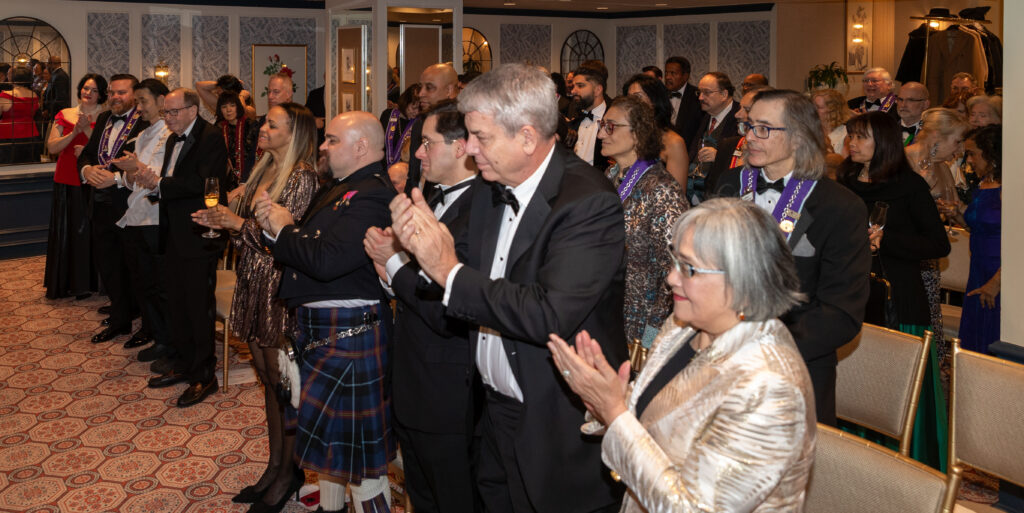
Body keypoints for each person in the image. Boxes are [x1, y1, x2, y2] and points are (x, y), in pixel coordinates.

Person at [389, 63, 627, 513]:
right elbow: (470, 283)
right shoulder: (490, 186)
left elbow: (546, 313)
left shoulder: (588, 201)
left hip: (553, 420)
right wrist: (417, 251)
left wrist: (446, 270)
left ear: (527, 137)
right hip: (491, 412)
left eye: (480, 136)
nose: (469, 148)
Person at [548, 197, 816, 513]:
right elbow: (658, 418)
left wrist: (615, 413)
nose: (671, 278)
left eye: (688, 268)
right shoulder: (682, 327)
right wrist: (610, 400)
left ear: (742, 280)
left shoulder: (769, 387)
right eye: (674, 261)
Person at [255, 110, 396, 513]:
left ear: (361, 147)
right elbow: (310, 246)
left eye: (332, 140)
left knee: (361, 464)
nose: (323, 146)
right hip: (326, 331)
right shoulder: (342, 187)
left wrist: (284, 228)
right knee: (335, 453)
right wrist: (276, 228)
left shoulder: (373, 194)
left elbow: (327, 260)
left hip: (350, 334)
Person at [714, 89, 871, 426]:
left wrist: (762, 350)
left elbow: (841, 312)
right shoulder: (728, 186)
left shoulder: (840, 207)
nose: (749, 137)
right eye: (749, 126)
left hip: (794, 370)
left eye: (763, 129)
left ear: (799, 137)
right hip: (718, 361)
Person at [192, 102, 319, 511]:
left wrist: (236, 225)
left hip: (278, 284)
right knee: (266, 377)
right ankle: (274, 465)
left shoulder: (302, 176)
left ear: (293, 134)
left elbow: (284, 240)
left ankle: (290, 471)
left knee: (284, 383)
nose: (262, 129)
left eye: (272, 125)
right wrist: (225, 224)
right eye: (264, 123)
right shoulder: (264, 167)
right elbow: (252, 228)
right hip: (253, 277)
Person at [364, 99, 481, 513]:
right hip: (414, 377)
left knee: (453, 498)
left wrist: (393, 263)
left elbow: (448, 309)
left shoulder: (482, 211)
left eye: (427, 143)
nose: (417, 154)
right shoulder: (431, 195)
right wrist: (390, 270)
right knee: (422, 494)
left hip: (447, 389)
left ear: (461, 147)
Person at [135, 88, 227, 408]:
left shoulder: (211, 137)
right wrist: (156, 185)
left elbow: (204, 183)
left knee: (198, 307)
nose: (169, 118)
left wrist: (160, 184)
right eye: (166, 113)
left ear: (192, 110)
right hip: (174, 231)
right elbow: (173, 179)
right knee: (177, 303)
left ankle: (205, 375)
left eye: (174, 112)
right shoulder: (174, 138)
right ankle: (185, 364)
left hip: (200, 232)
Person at [838, 112, 950, 332]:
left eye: (861, 137)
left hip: (896, 292)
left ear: (883, 142)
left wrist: (885, 238)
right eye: (851, 136)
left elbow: (938, 244)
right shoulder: (846, 180)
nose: (852, 143)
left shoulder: (909, 185)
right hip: (848, 288)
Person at [600, 95, 687, 346]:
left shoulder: (662, 189)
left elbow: (675, 268)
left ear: (638, 133)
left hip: (640, 326)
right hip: (608, 312)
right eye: (602, 125)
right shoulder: (609, 176)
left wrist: (651, 337)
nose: (601, 134)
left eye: (611, 126)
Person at [78, 73, 149, 344]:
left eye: (121, 92)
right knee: (108, 265)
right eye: (111, 93)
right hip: (99, 203)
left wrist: (116, 178)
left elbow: (148, 165)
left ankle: (147, 324)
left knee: (135, 267)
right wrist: (87, 170)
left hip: (130, 204)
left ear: (134, 95)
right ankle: (120, 319)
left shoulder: (145, 122)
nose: (115, 97)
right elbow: (87, 153)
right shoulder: (104, 119)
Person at [107, 79, 174, 355]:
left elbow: (162, 179)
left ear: (161, 101)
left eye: (143, 101)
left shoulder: (171, 134)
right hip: (135, 216)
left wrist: (136, 168)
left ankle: (166, 341)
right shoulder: (144, 134)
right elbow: (133, 181)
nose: (139, 108)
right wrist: (128, 171)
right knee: (143, 282)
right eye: (137, 102)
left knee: (159, 284)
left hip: (156, 218)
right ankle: (154, 334)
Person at [43, 73, 107, 300]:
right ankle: (69, 283)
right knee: (67, 231)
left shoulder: (106, 117)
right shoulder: (65, 114)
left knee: (90, 232)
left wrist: (87, 132)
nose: (88, 93)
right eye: (86, 88)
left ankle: (92, 283)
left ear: (101, 94)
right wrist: (74, 132)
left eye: (94, 90)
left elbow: (104, 148)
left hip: (94, 178)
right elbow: (52, 147)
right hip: (66, 176)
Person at [947, 125, 1001, 354]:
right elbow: (978, 228)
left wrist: (996, 282)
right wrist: (957, 214)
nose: (968, 160)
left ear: (991, 153)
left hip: (999, 273)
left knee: (995, 337)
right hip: (978, 270)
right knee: (975, 337)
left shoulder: (1010, 187)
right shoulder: (984, 181)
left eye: (972, 154)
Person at [622, 73, 689, 186]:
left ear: (654, 101)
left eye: (638, 97)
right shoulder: (627, 136)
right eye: (629, 98)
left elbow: (677, 192)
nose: (631, 103)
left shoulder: (674, 143)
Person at [688, 71, 740, 203]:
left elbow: (745, 156)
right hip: (695, 193)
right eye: (699, 92)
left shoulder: (740, 117)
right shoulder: (704, 114)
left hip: (722, 195)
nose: (700, 97)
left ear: (724, 94)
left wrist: (720, 155)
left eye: (706, 92)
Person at [407, 63, 459, 194]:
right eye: (420, 87)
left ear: (449, 90)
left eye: (429, 88)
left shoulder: (466, 124)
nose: (421, 94)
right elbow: (413, 176)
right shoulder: (419, 124)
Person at [215, 92, 261, 202]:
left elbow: (259, 153)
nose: (228, 110)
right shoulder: (219, 128)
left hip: (252, 176)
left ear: (238, 107)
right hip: (231, 179)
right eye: (224, 107)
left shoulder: (251, 125)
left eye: (232, 105)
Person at [0, 66, 42, 163]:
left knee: (9, 168)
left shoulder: (5, 96)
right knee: (29, 166)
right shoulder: (34, 95)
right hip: (31, 135)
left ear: (13, 78)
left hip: (8, 136)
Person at [380, 83, 421, 168]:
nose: (416, 112)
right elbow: (379, 144)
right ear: (405, 102)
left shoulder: (420, 122)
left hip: (406, 170)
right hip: (384, 168)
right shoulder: (387, 115)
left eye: (419, 109)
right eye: (413, 108)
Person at [664, 56, 701, 148]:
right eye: (666, 73)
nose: (667, 77)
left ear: (685, 76)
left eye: (673, 73)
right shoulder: (658, 94)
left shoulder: (698, 97)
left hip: (687, 150)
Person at [810, 88, 852, 156]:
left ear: (832, 110)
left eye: (818, 107)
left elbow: (846, 161)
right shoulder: (810, 130)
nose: (813, 110)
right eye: (812, 106)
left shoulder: (846, 134)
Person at [43, 55, 71, 120]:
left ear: (53, 64)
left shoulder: (60, 76)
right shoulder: (56, 74)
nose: (47, 65)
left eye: (48, 63)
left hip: (57, 112)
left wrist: (49, 110)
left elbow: (60, 98)